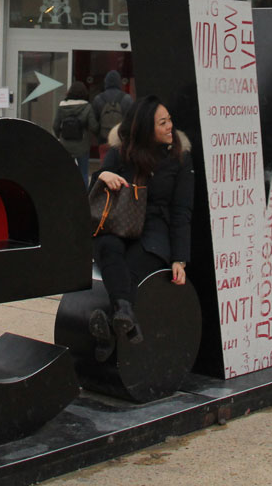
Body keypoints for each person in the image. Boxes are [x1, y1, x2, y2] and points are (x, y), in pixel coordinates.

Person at [88, 96, 193, 360]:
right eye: (163, 122)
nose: (170, 126)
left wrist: (180, 257)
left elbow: (182, 211)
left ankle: (112, 330)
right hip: (118, 223)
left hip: (154, 230)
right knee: (109, 249)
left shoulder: (179, 158)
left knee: (132, 268)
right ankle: (123, 316)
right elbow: (96, 196)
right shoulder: (120, 152)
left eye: (169, 120)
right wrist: (101, 176)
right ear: (146, 127)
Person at [53, 81, 99, 185]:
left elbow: (55, 126)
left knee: (66, 172)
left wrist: (60, 137)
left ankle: (65, 194)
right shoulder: (87, 107)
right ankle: (84, 198)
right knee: (83, 173)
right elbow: (94, 127)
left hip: (65, 145)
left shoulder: (62, 106)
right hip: (82, 145)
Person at [91, 70, 134, 148]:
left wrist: (99, 134)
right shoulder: (127, 99)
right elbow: (131, 120)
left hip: (103, 139)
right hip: (121, 139)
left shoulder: (98, 99)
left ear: (106, 82)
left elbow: (93, 122)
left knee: (105, 159)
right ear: (119, 82)